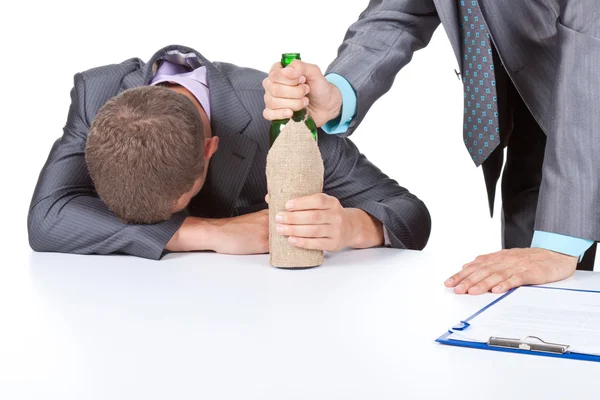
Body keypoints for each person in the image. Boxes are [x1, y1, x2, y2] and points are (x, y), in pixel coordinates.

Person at [262, 0, 599, 292]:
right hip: (540, 114)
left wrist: (560, 241)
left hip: (587, 93)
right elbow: (397, 13)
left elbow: (591, 40)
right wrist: (337, 96)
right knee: (531, 309)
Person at [27, 45, 431, 260]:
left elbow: (410, 212)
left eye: (178, 207)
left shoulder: (274, 113)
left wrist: (355, 227)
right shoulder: (94, 96)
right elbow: (45, 219)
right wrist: (206, 233)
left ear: (210, 149)